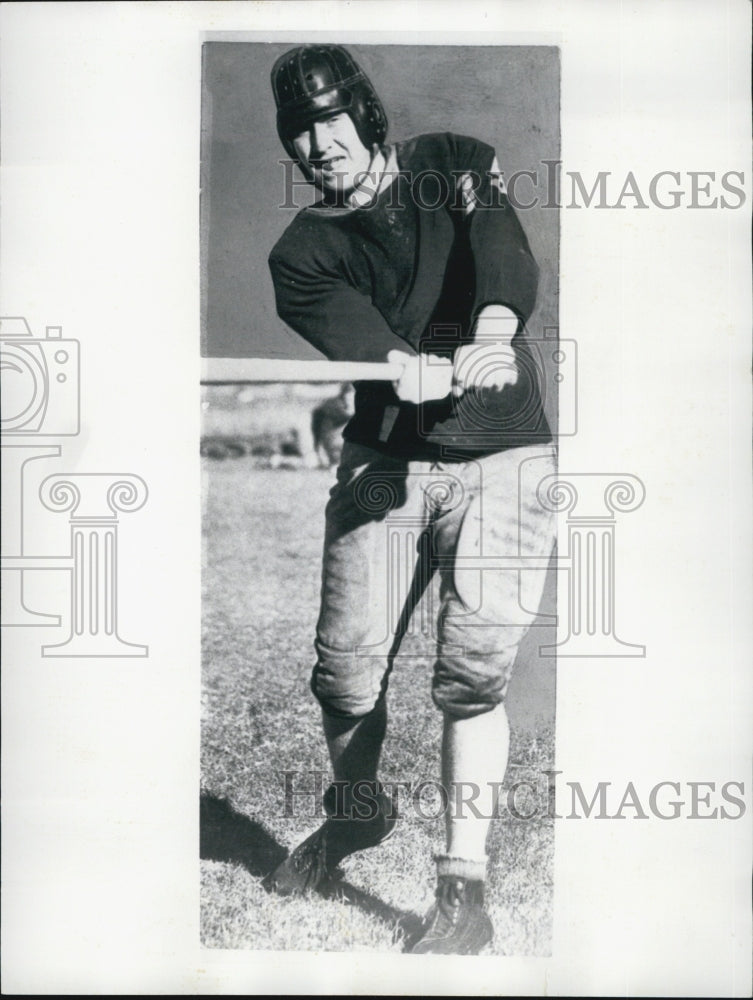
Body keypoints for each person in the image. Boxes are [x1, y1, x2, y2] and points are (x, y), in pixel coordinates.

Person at [261, 43, 556, 955]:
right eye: (299, 132)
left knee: (469, 678)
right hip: (386, 457)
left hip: (502, 454)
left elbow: (499, 245)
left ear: (366, 115)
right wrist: (402, 367)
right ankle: (356, 813)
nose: (318, 145)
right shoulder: (301, 251)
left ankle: (461, 894)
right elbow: (356, 335)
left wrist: (495, 328)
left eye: (329, 121)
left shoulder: (449, 165)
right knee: (344, 678)